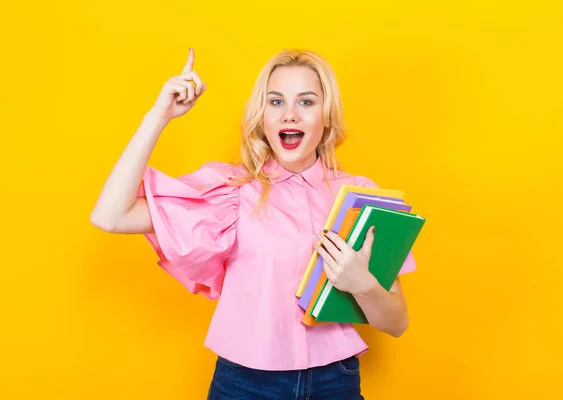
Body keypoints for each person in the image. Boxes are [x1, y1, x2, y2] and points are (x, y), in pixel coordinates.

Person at [90, 47, 416, 400]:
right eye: (276, 102)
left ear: (327, 115)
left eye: (306, 102)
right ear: (262, 116)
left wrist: (361, 284)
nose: (289, 114)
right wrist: (158, 116)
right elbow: (110, 216)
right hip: (245, 385)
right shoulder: (229, 191)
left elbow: (396, 323)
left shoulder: (361, 198)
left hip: (335, 382)